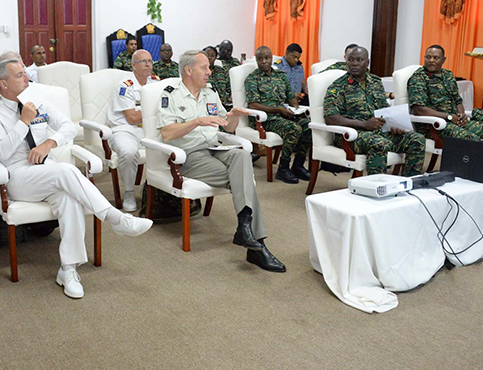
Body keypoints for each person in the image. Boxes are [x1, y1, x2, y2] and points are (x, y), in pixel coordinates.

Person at [0, 59, 153, 299]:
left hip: (46, 170)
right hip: (16, 176)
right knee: (67, 171)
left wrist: (49, 143)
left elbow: (68, 128)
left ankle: (68, 270)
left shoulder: (36, 100)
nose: (27, 79)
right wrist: (23, 122)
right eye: (20, 75)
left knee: (68, 199)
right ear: (4, 84)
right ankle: (115, 218)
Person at [157, 50, 285, 273]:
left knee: (242, 155)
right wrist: (196, 121)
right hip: (190, 155)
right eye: (204, 67)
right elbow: (167, 133)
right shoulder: (170, 95)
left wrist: (234, 115)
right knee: (243, 178)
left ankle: (245, 229)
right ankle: (257, 246)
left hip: (215, 148)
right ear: (189, 70)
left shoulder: (210, 92)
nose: (209, 71)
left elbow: (229, 127)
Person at [323, 46, 425, 177]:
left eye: (359, 60)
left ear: (367, 62)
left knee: (417, 139)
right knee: (379, 143)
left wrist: (394, 126)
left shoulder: (375, 82)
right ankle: (376, 187)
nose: (354, 63)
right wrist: (364, 124)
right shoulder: (337, 86)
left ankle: (410, 182)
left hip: (377, 131)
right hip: (351, 135)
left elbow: (384, 110)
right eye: (350, 60)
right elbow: (330, 118)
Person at [408, 44, 483, 156]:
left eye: (435, 58)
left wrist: (461, 115)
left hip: (455, 122)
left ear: (443, 60)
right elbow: (419, 109)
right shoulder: (419, 78)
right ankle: (475, 167)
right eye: (428, 57)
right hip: (435, 126)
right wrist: (449, 116)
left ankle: (478, 167)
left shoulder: (448, 75)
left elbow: (457, 100)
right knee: (475, 141)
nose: (431, 60)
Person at [245, 46, 312, 184]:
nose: (264, 61)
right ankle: (283, 167)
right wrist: (278, 110)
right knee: (294, 129)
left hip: (283, 114)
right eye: (260, 59)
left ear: (272, 59)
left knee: (308, 125)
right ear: (257, 61)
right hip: (265, 119)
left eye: (267, 58)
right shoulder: (252, 79)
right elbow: (253, 105)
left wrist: (294, 105)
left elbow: (290, 95)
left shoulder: (281, 76)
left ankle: (298, 165)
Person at [107, 50, 160, 212]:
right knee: (128, 152)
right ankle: (129, 191)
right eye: (143, 62)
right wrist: (155, 112)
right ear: (133, 66)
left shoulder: (156, 83)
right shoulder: (125, 86)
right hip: (125, 130)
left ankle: (161, 191)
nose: (148, 65)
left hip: (150, 129)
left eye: (150, 61)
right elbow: (131, 117)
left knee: (176, 146)